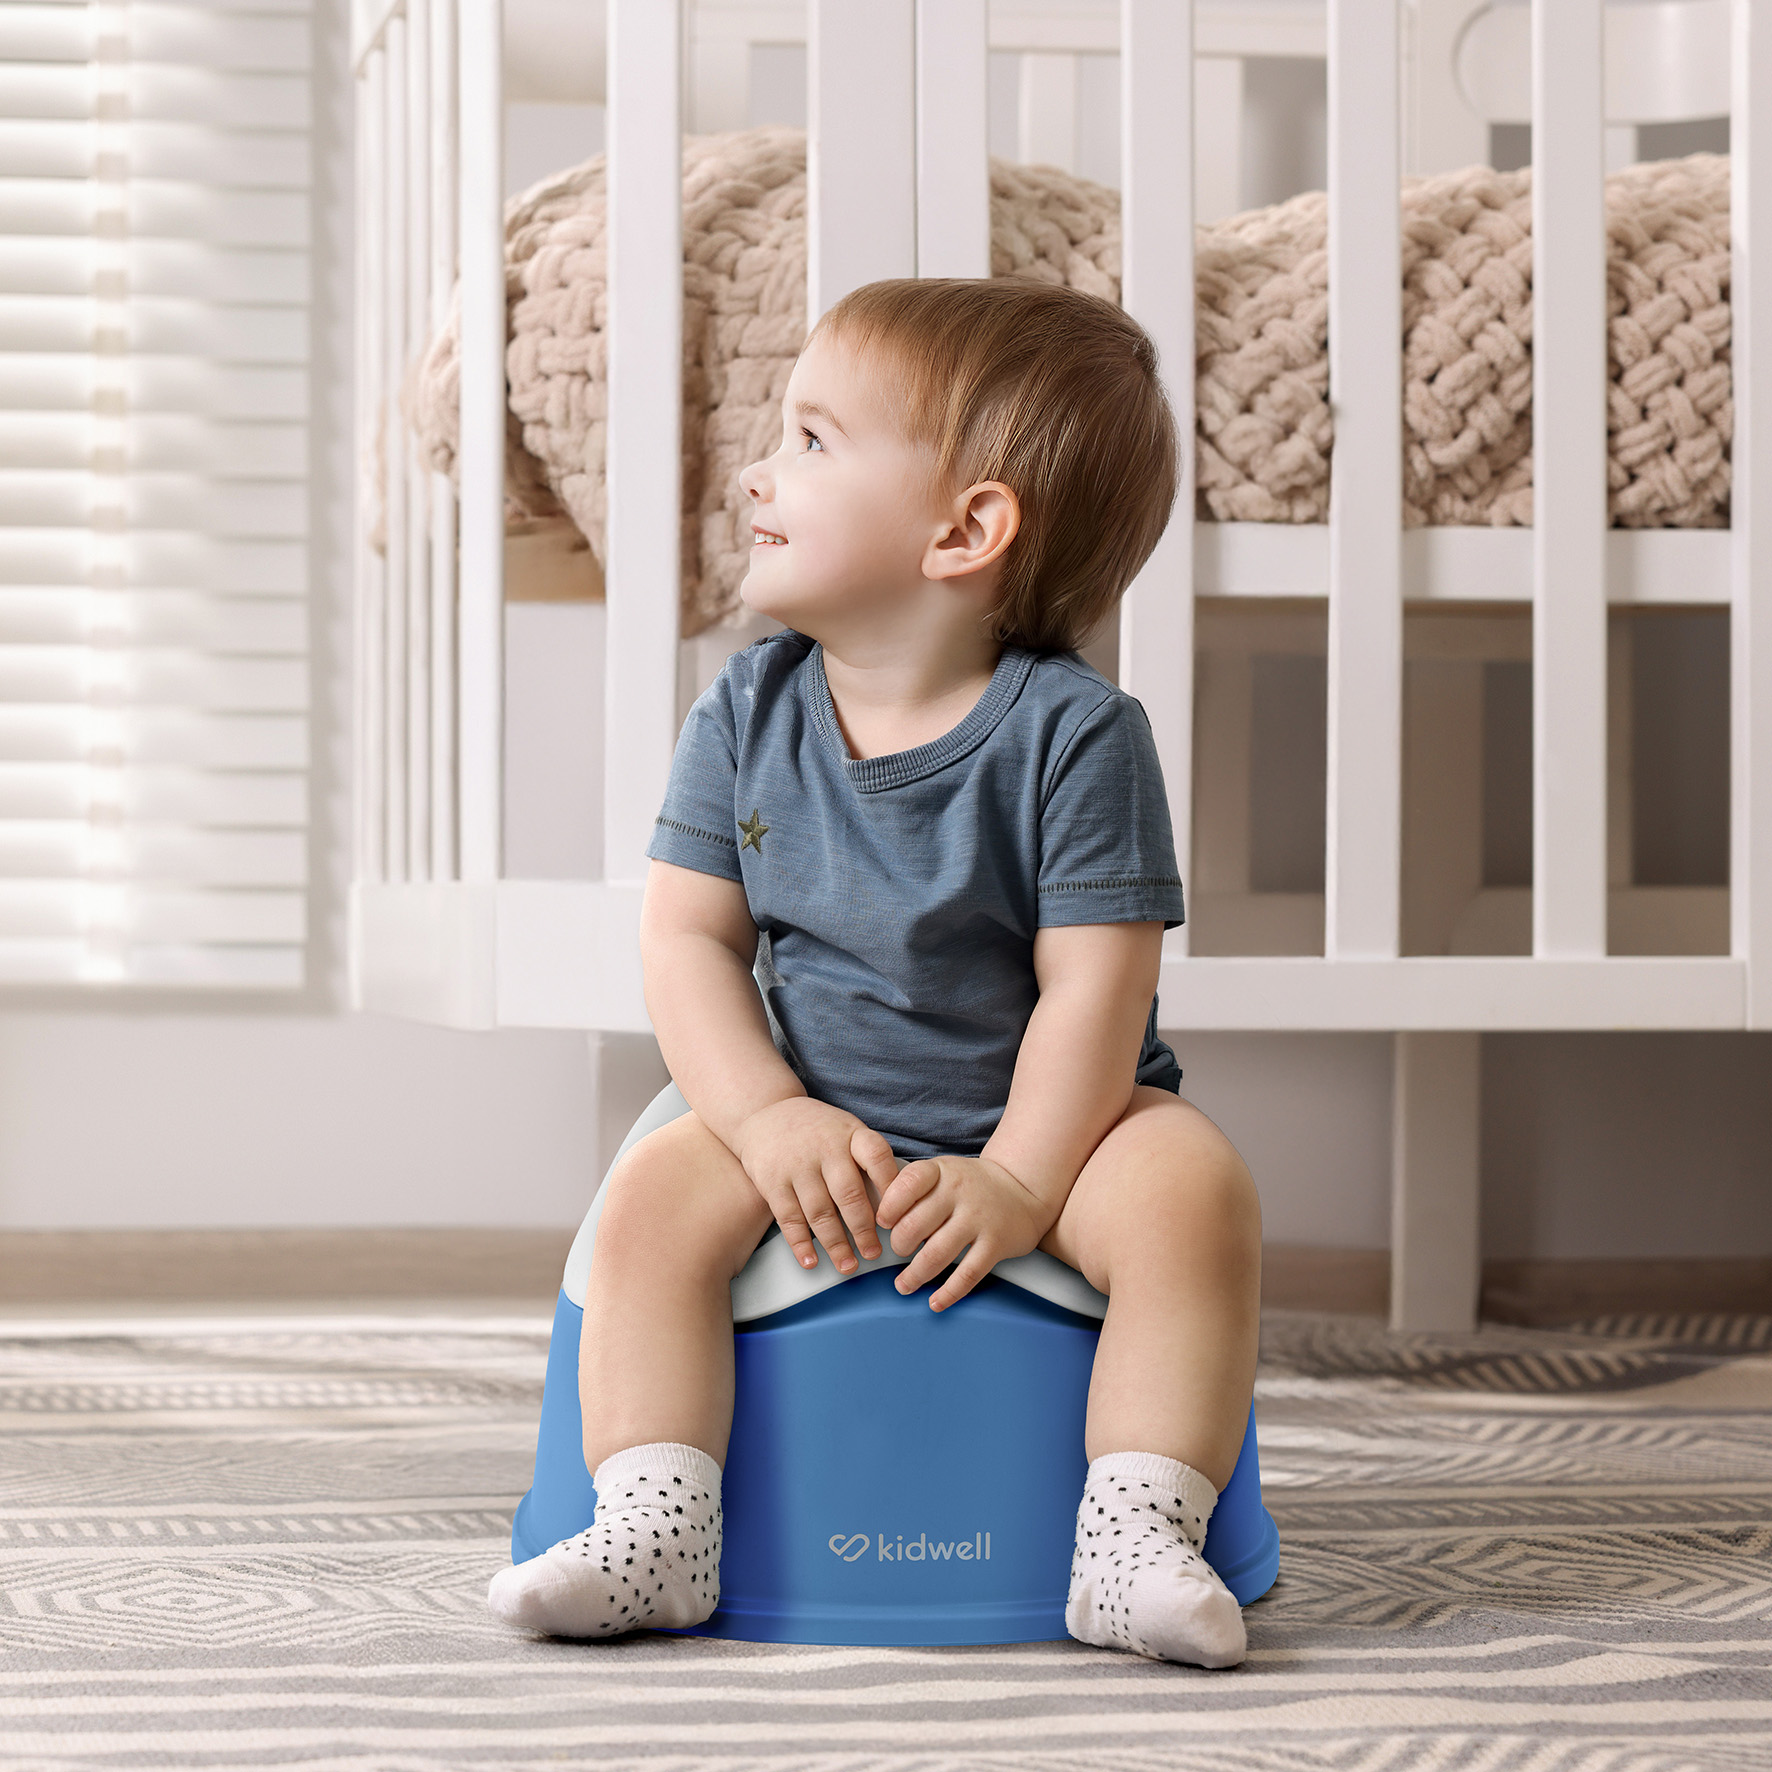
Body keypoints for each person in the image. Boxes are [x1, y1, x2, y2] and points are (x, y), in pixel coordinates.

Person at [488, 278, 1262, 1669]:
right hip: (813, 1108)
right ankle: (654, 1521)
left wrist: (1023, 1177)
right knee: (648, 1200)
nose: (757, 473)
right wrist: (765, 1116)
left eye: (811, 441)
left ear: (964, 530)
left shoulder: (1079, 737)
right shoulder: (746, 709)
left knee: (1194, 1189)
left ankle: (1139, 1534)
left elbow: (1096, 994)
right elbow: (689, 941)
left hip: (1056, 1130)